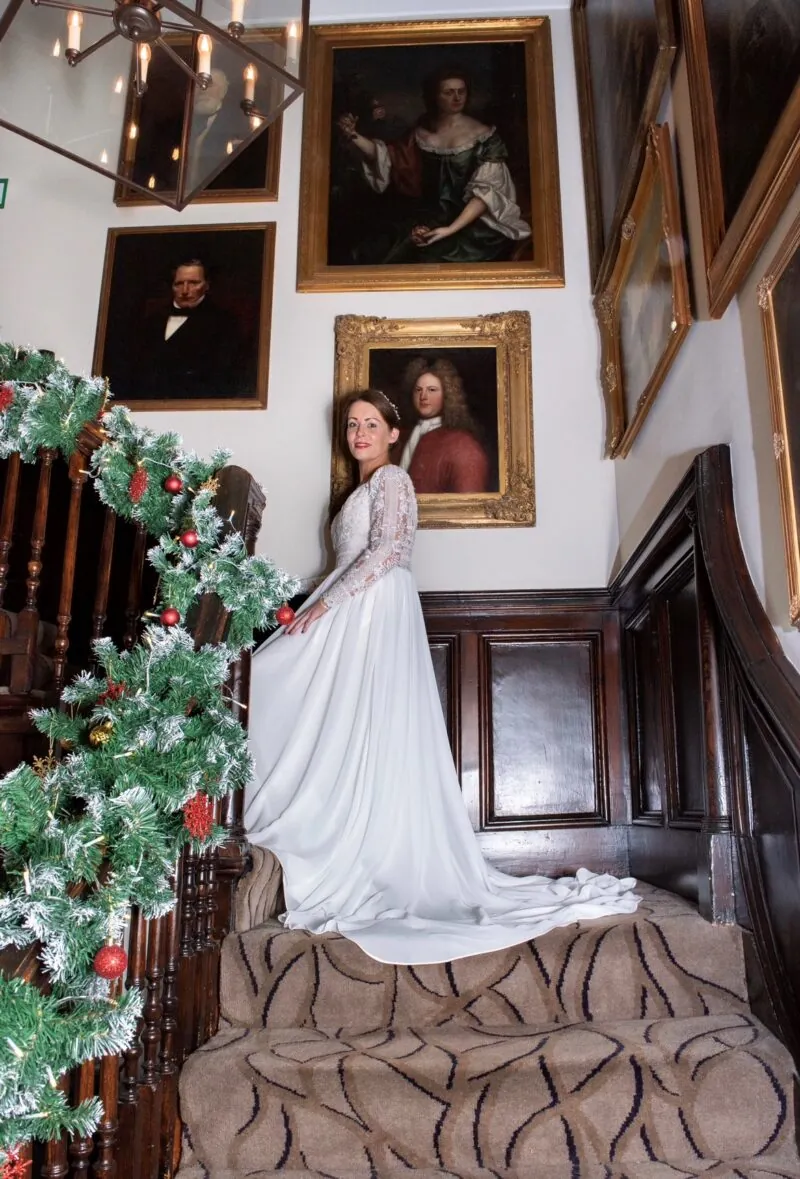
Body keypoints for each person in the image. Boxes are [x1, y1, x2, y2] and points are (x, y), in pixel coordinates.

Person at [244, 389, 639, 966]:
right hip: (355, 607)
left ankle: (360, 849)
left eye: (370, 424)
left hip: (374, 609)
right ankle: (329, 828)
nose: (359, 433)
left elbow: (389, 552)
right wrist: (307, 599)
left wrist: (322, 606)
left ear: (393, 433)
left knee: (317, 700)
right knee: (309, 702)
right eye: (352, 424)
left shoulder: (392, 480)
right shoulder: (359, 490)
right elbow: (347, 561)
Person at [335, 66, 532, 265]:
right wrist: (353, 135)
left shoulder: (485, 137)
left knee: (426, 258)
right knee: (372, 250)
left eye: (461, 91)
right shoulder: (420, 133)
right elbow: (387, 158)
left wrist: (448, 230)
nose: (457, 98)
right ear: (434, 96)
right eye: (449, 92)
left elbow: (485, 194)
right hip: (425, 217)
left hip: (469, 223)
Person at [124, 259, 244, 401]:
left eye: (194, 283)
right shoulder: (151, 321)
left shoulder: (224, 322)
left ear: (206, 285)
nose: (185, 291)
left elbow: (224, 376)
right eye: (179, 284)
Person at [394, 356, 491, 493]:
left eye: (432, 390)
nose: (423, 396)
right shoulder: (401, 437)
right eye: (418, 390)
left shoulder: (462, 444)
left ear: (446, 395)